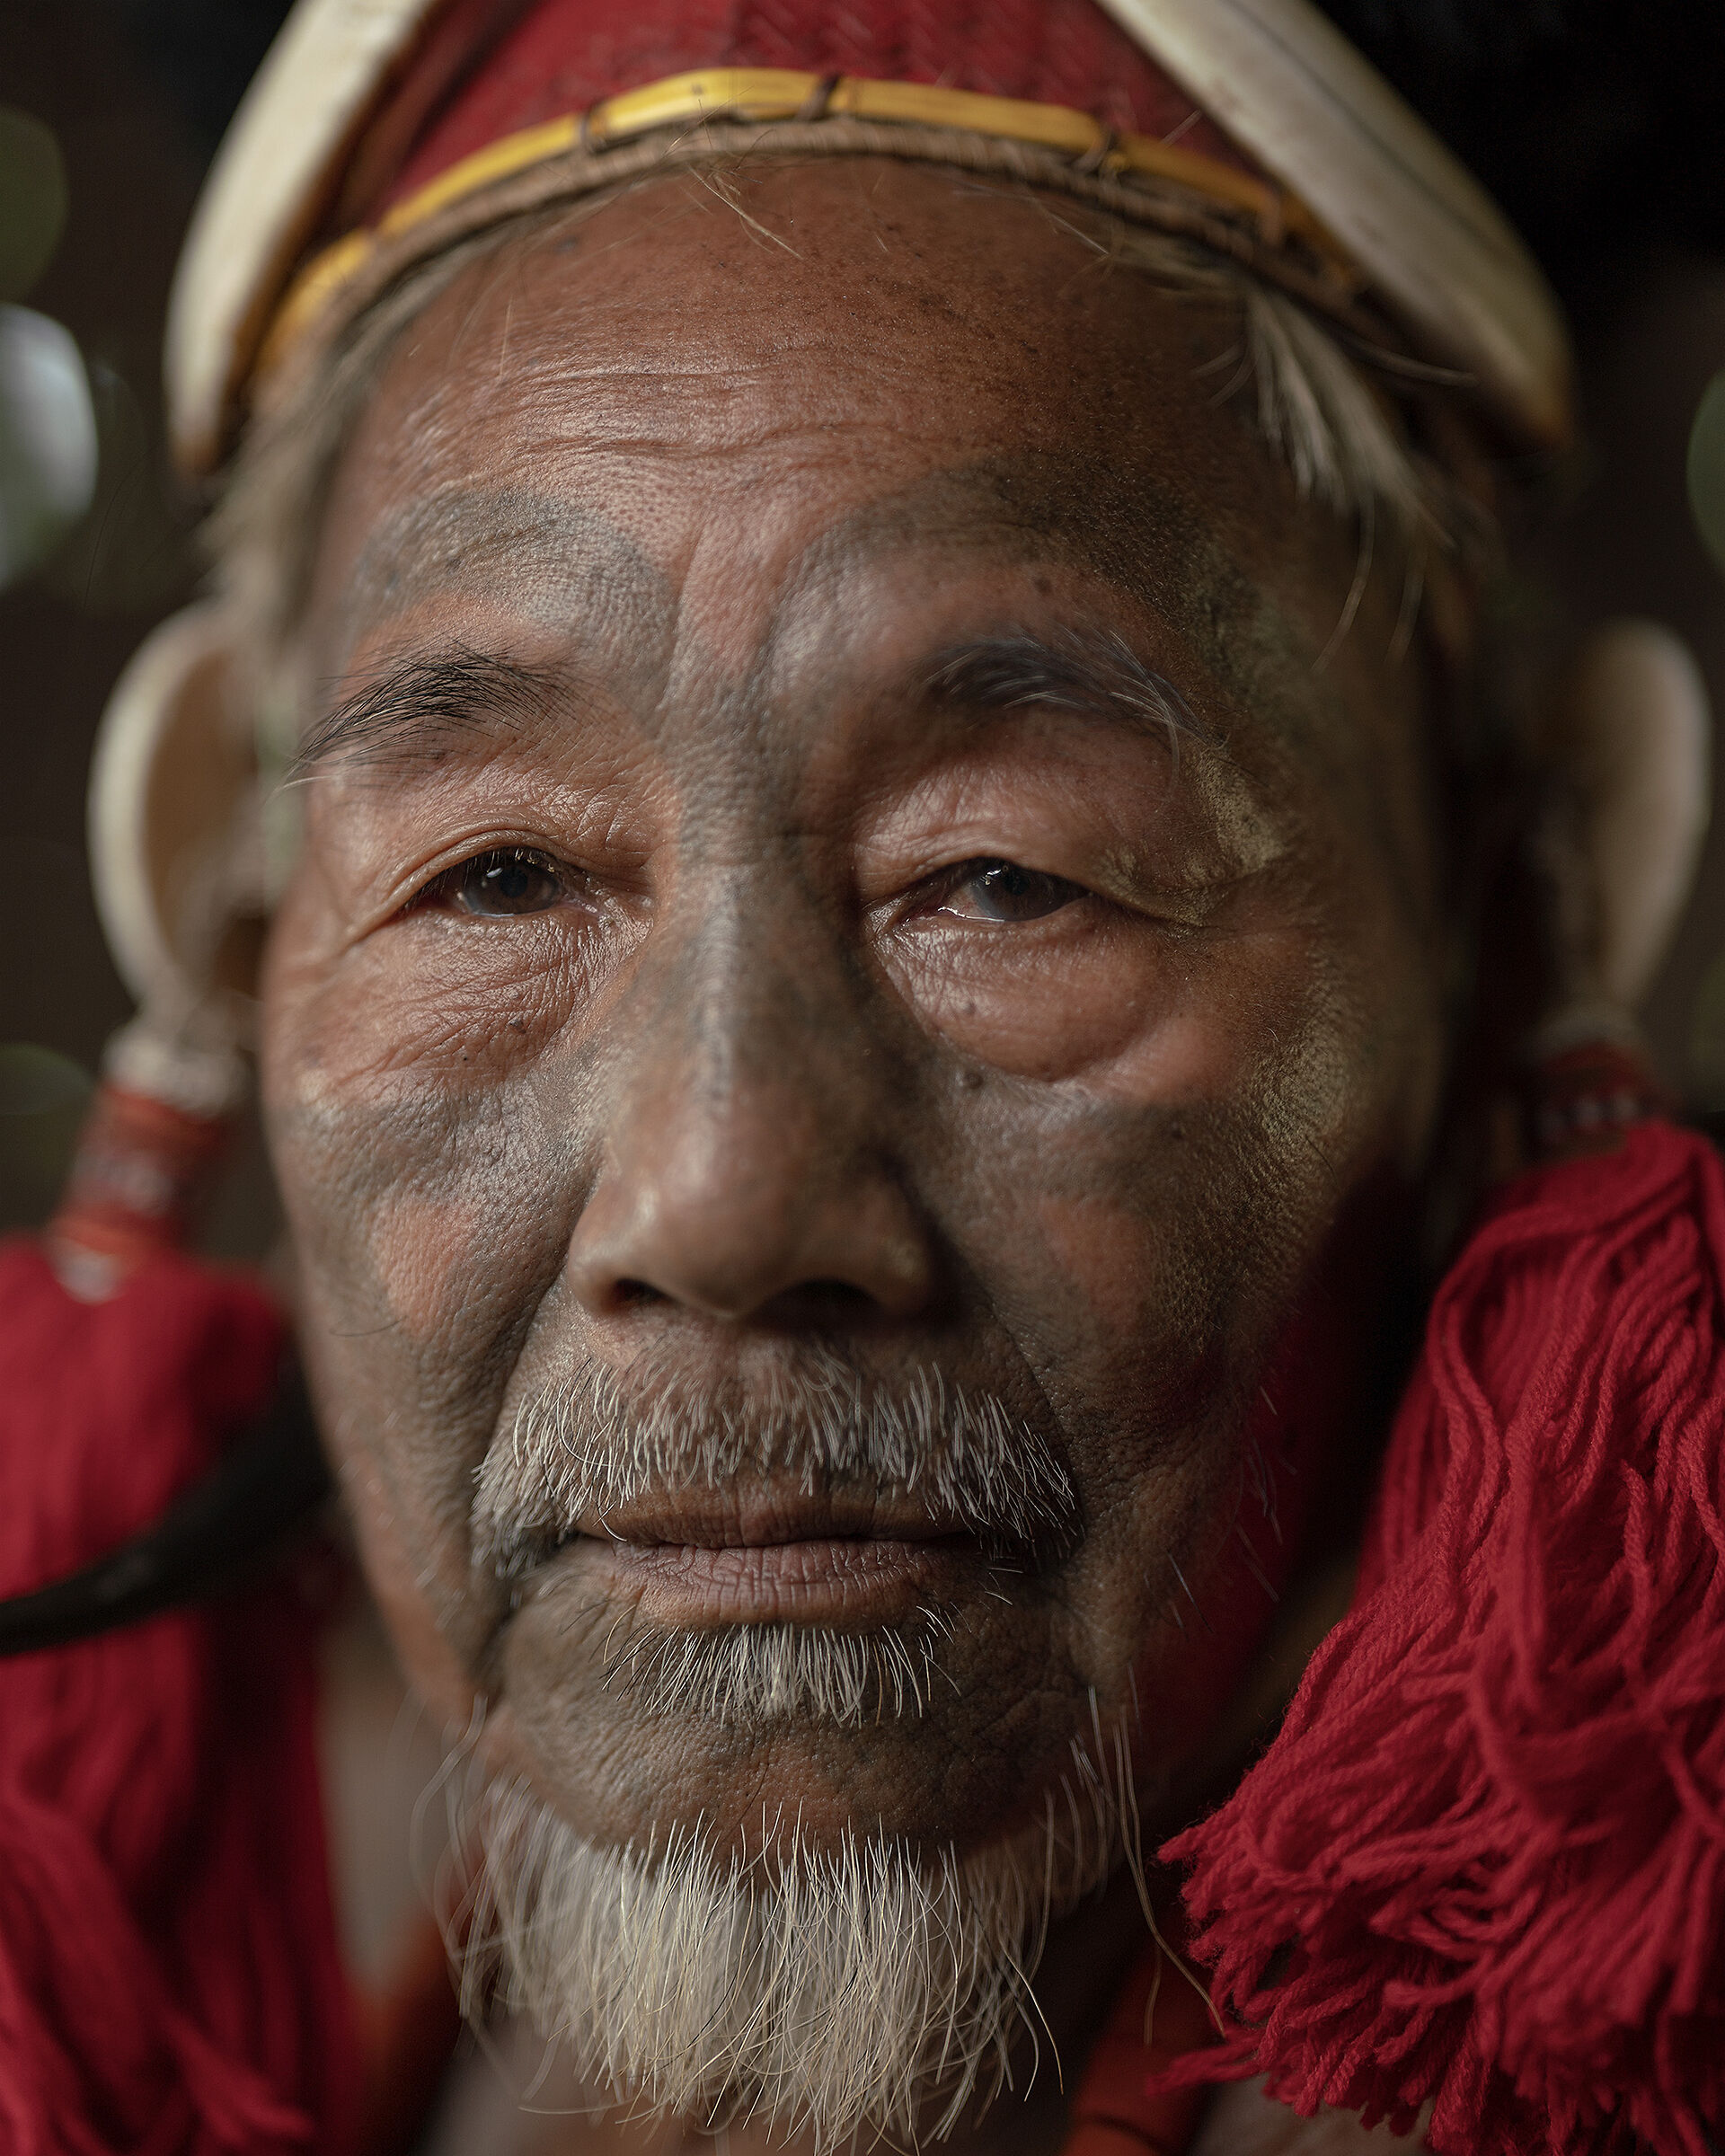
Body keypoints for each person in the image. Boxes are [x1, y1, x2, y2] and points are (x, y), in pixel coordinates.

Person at [1, 4, 1720, 2153]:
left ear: (1535, 901)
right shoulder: (171, 1964)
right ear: (228, 929)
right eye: (500, 874)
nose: (719, 1200)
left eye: (1003, 879)